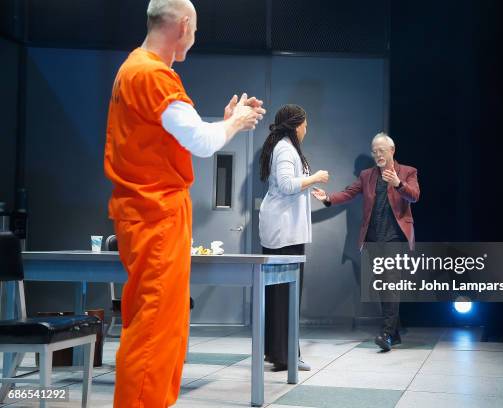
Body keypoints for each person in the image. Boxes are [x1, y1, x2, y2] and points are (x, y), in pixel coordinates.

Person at [104, 1, 265, 406]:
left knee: (159, 322)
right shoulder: (155, 75)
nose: (195, 37)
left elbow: (181, 132)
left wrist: (223, 122)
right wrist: (234, 124)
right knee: (155, 328)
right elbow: (201, 143)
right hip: (156, 214)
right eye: (195, 30)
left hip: (145, 212)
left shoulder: (134, 69)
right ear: (185, 24)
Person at [312, 132, 419, 351]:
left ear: (392, 150)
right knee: (383, 285)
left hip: (395, 238)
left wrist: (398, 183)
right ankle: (395, 333)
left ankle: (387, 334)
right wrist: (328, 198)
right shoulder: (367, 175)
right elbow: (348, 193)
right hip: (372, 238)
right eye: (375, 151)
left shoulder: (408, 172)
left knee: (390, 284)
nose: (378, 154)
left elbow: (414, 196)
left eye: (382, 150)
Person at [258, 104, 328, 371]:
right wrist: (316, 178)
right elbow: (287, 185)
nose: (307, 129)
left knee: (280, 294)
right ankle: (285, 354)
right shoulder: (286, 148)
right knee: (285, 294)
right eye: (306, 124)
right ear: (296, 124)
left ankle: (279, 352)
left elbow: (287, 185)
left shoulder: (284, 147)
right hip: (284, 232)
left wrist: (307, 189)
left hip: (282, 229)